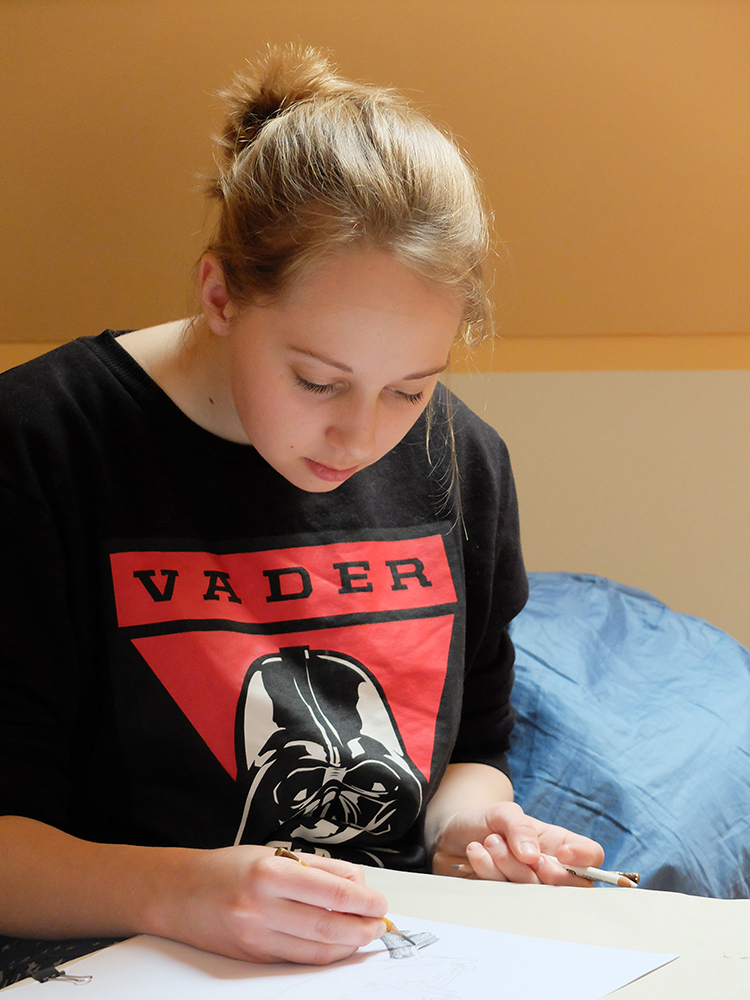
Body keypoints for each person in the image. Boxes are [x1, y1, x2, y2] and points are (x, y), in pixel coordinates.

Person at [0, 45, 604, 982]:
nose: (362, 437)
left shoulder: (462, 458)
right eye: (318, 381)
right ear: (220, 295)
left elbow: (470, 752)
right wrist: (179, 891)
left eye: (410, 389)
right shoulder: (42, 446)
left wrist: (471, 827)